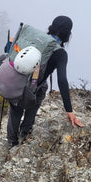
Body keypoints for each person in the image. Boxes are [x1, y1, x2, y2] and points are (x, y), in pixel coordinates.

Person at [6, 16, 83, 147]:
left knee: (15, 111)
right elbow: (62, 80)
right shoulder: (60, 53)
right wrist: (69, 110)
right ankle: (24, 134)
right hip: (35, 88)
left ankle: (12, 141)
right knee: (33, 105)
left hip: (16, 81)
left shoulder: (33, 38)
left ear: (51, 26)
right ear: (67, 34)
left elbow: (8, 51)